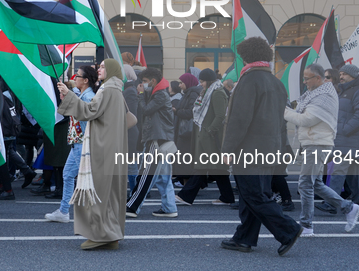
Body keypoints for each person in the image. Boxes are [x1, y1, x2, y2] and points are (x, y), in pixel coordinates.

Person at [220, 37, 302, 256]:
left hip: (249, 150)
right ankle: (244, 238)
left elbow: (239, 120)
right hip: (269, 149)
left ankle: (288, 230)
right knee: (251, 197)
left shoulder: (248, 81)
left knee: (255, 196)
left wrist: (227, 150)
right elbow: (281, 120)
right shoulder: (276, 82)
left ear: (246, 56)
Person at [56, 59, 127, 250]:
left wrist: (68, 94)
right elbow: (130, 119)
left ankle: (100, 235)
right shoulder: (117, 91)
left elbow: (89, 111)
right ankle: (111, 234)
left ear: (111, 70)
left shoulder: (106, 90)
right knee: (109, 194)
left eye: (103, 67)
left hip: (101, 147)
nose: (99, 69)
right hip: (113, 147)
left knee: (97, 191)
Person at [284, 63, 359, 236]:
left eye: (306, 78)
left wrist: (283, 111)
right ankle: (349, 207)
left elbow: (306, 119)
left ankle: (306, 225)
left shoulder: (324, 94)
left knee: (305, 183)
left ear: (317, 78)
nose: (304, 82)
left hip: (317, 143)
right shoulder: (316, 93)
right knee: (315, 183)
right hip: (315, 142)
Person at [316, 64, 359, 216]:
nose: (341, 76)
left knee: (338, 172)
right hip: (350, 140)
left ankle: (331, 203)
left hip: (350, 139)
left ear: (352, 75)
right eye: (340, 74)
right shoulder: (346, 90)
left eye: (344, 74)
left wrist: (344, 129)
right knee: (354, 175)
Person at [46, 66, 98, 223]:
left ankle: (94, 216)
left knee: (86, 181)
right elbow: (73, 99)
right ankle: (63, 211)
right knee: (68, 175)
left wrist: (68, 93)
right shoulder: (82, 93)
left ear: (86, 80)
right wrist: (66, 89)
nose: (75, 78)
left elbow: (85, 115)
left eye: (78, 76)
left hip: (83, 143)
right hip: (77, 143)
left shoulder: (88, 97)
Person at [175, 68, 233, 206]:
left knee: (203, 166)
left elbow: (220, 116)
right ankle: (227, 197)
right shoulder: (207, 92)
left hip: (211, 136)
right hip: (206, 135)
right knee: (216, 168)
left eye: (202, 81)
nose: (200, 84)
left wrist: (209, 130)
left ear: (209, 80)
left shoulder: (217, 93)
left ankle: (186, 196)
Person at [126, 67, 178, 218]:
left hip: (157, 138)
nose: (143, 84)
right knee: (163, 176)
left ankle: (132, 206)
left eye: (145, 81)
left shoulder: (160, 94)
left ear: (153, 81)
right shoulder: (159, 92)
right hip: (161, 138)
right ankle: (169, 207)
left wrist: (141, 94)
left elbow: (146, 109)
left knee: (145, 174)